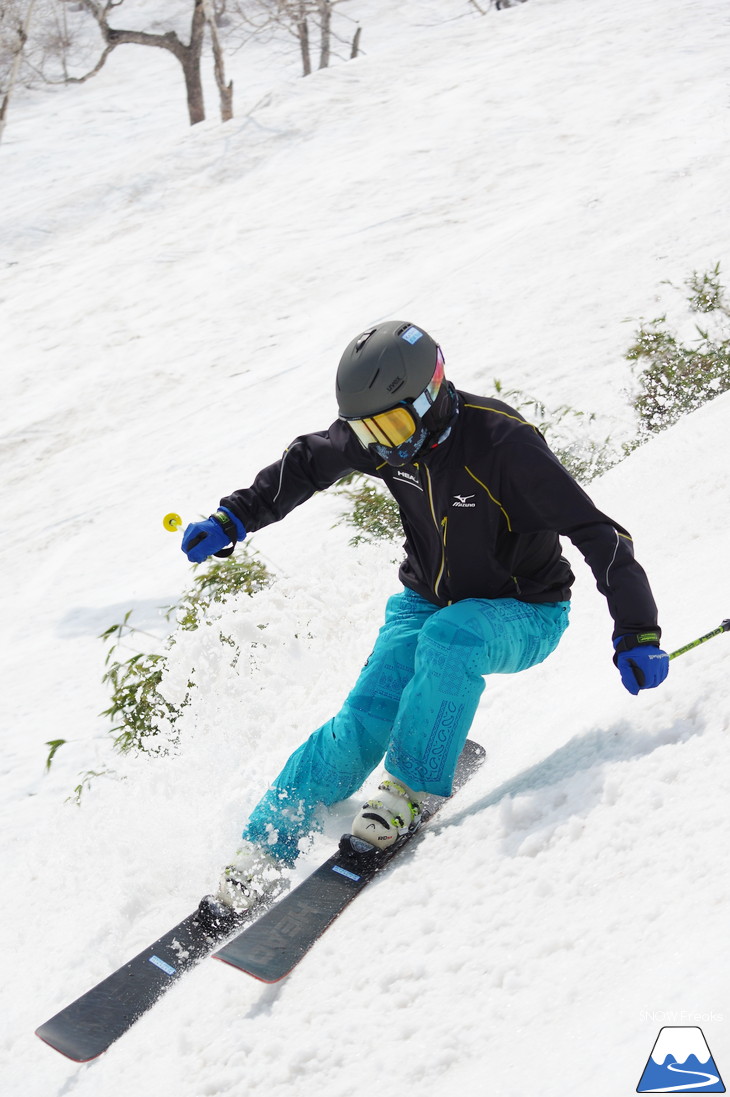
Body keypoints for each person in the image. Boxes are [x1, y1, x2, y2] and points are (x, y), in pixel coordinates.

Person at [181, 320, 669, 909]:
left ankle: (409, 790)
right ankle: (266, 845)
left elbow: (599, 534)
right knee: (360, 721)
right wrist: (234, 518)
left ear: (431, 393)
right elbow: (307, 462)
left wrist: (637, 629)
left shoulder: (502, 445)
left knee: (450, 637)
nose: (382, 444)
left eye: (391, 424)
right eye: (368, 430)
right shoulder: (381, 437)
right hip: (425, 599)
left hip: (526, 611)